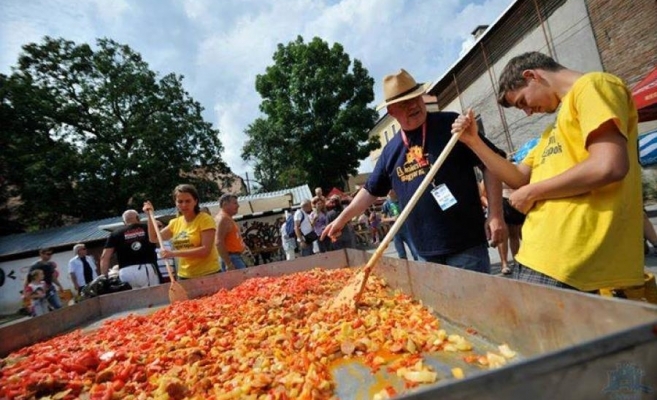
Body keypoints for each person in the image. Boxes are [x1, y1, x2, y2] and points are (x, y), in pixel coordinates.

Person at [451, 51, 643, 293]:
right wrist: (474, 142)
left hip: (570, 256)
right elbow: (517, 177)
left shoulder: (594, 85)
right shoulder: (553, 128)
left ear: (532, 76)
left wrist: (533, 193)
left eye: (522, 102)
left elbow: (609, 165)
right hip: (542, 253)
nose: (528, 112)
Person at [323, 69, 506, 273]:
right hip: (424, 252)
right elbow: (369, 192)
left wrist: (495, 214)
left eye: (415, 98)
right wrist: (342, 219)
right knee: (435, 306)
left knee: (474, 304)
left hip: (466, 244)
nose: (413, 105)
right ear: (391, 111)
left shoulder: (451, 125)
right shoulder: (390, 151)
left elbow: (491, 164)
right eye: (403, 103)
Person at [144, 184, 220, 279]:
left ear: (195, 201)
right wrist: (149, 216)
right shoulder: (174, 222)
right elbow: (154, 238)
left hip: (208, 274)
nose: (184, 205)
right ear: (175, 203)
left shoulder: (205, 219)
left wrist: (173, 254)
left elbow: (205, 251)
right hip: (184, 275)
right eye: (180, 201)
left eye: (188, 201)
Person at [100, 209, 161, 288]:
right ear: (138, 218)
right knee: (152, 295)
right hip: (145, 268)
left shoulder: (115, 233)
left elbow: (104, 257)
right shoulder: (146, 228)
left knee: (132, 298)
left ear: (124, 222)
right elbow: (159, 245)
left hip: (125, 272)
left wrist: (104, 277)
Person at [381, 189, 419, 260]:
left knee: (415, 252)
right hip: (395, 231)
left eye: (391, 190)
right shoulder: (386, 204)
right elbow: (382, 219)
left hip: (407, 229)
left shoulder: (402, 200)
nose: (390, 192)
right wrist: (392, 219)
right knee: (401, 255)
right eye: (388, 190)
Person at [215, 194, 247, 271]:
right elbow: (219, 242)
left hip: (233, 257)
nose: (238, 206)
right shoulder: (223, 219)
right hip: (232, 258)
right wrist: (228, 263)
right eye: (235, 203)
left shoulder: (226, 218)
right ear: (225, 204)